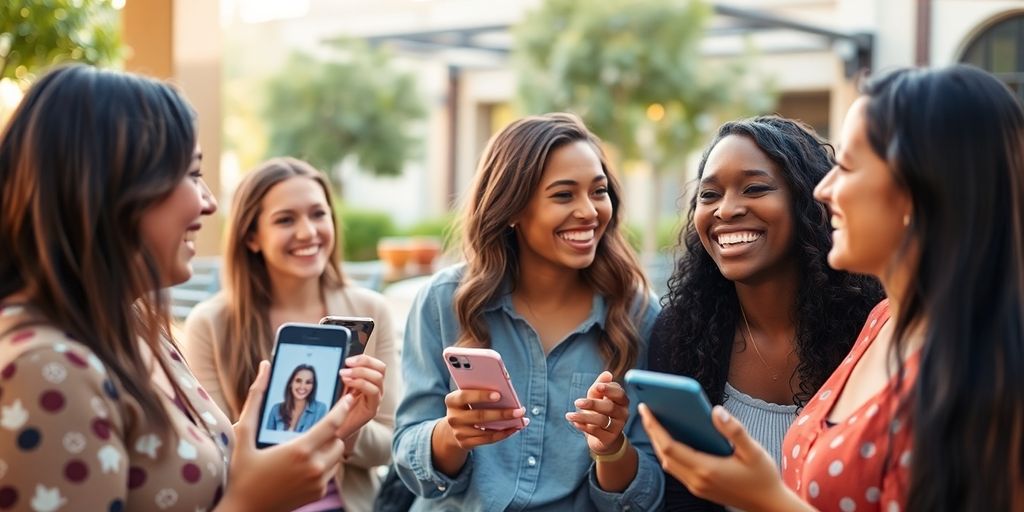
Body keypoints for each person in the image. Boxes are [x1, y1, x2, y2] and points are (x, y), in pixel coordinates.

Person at [639, 65, 1024, 511]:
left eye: (848, 166)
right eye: (709, 194)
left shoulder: (980, 367)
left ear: (917, 191)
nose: (823, 189)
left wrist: (766, 499)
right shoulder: (883, 323)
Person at [0, 65, 359, 511]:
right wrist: (251, 503)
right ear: (112, 190)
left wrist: (274, 445)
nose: (208, 202)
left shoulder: (135, 326)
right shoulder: (46, 367)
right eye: (191, 174)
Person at [392, 112, 664, 511]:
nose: (589, 212)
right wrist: (453, 434)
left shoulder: (637, 312)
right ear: (513, 209)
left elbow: (648, 492)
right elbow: (408, 457)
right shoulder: (443, 299)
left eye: (599, 191)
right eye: (563, 195)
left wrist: (610, 447)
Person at [647, 116, 882, 509]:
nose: (727, 209)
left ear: (808, 202)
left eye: (754, 188)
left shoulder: (871, 328)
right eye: (709, 195)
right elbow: (677, 494)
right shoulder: (679, 333)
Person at [183, 157, 398, 512]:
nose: (308, 232)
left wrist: (349, 427)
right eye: (286, 219)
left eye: (318, 214)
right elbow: (215, 452)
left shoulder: (370, 310)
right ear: (251, 236)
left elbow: (391, 442)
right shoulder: (210, 323)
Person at [266, 364, 328, 432]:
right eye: (298, 381)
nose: (302, 386)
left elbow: (320, 439)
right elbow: (266, 438)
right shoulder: (276, 409)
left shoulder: (320, 409)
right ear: (291, 383)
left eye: (308, 382)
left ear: (313, 386)